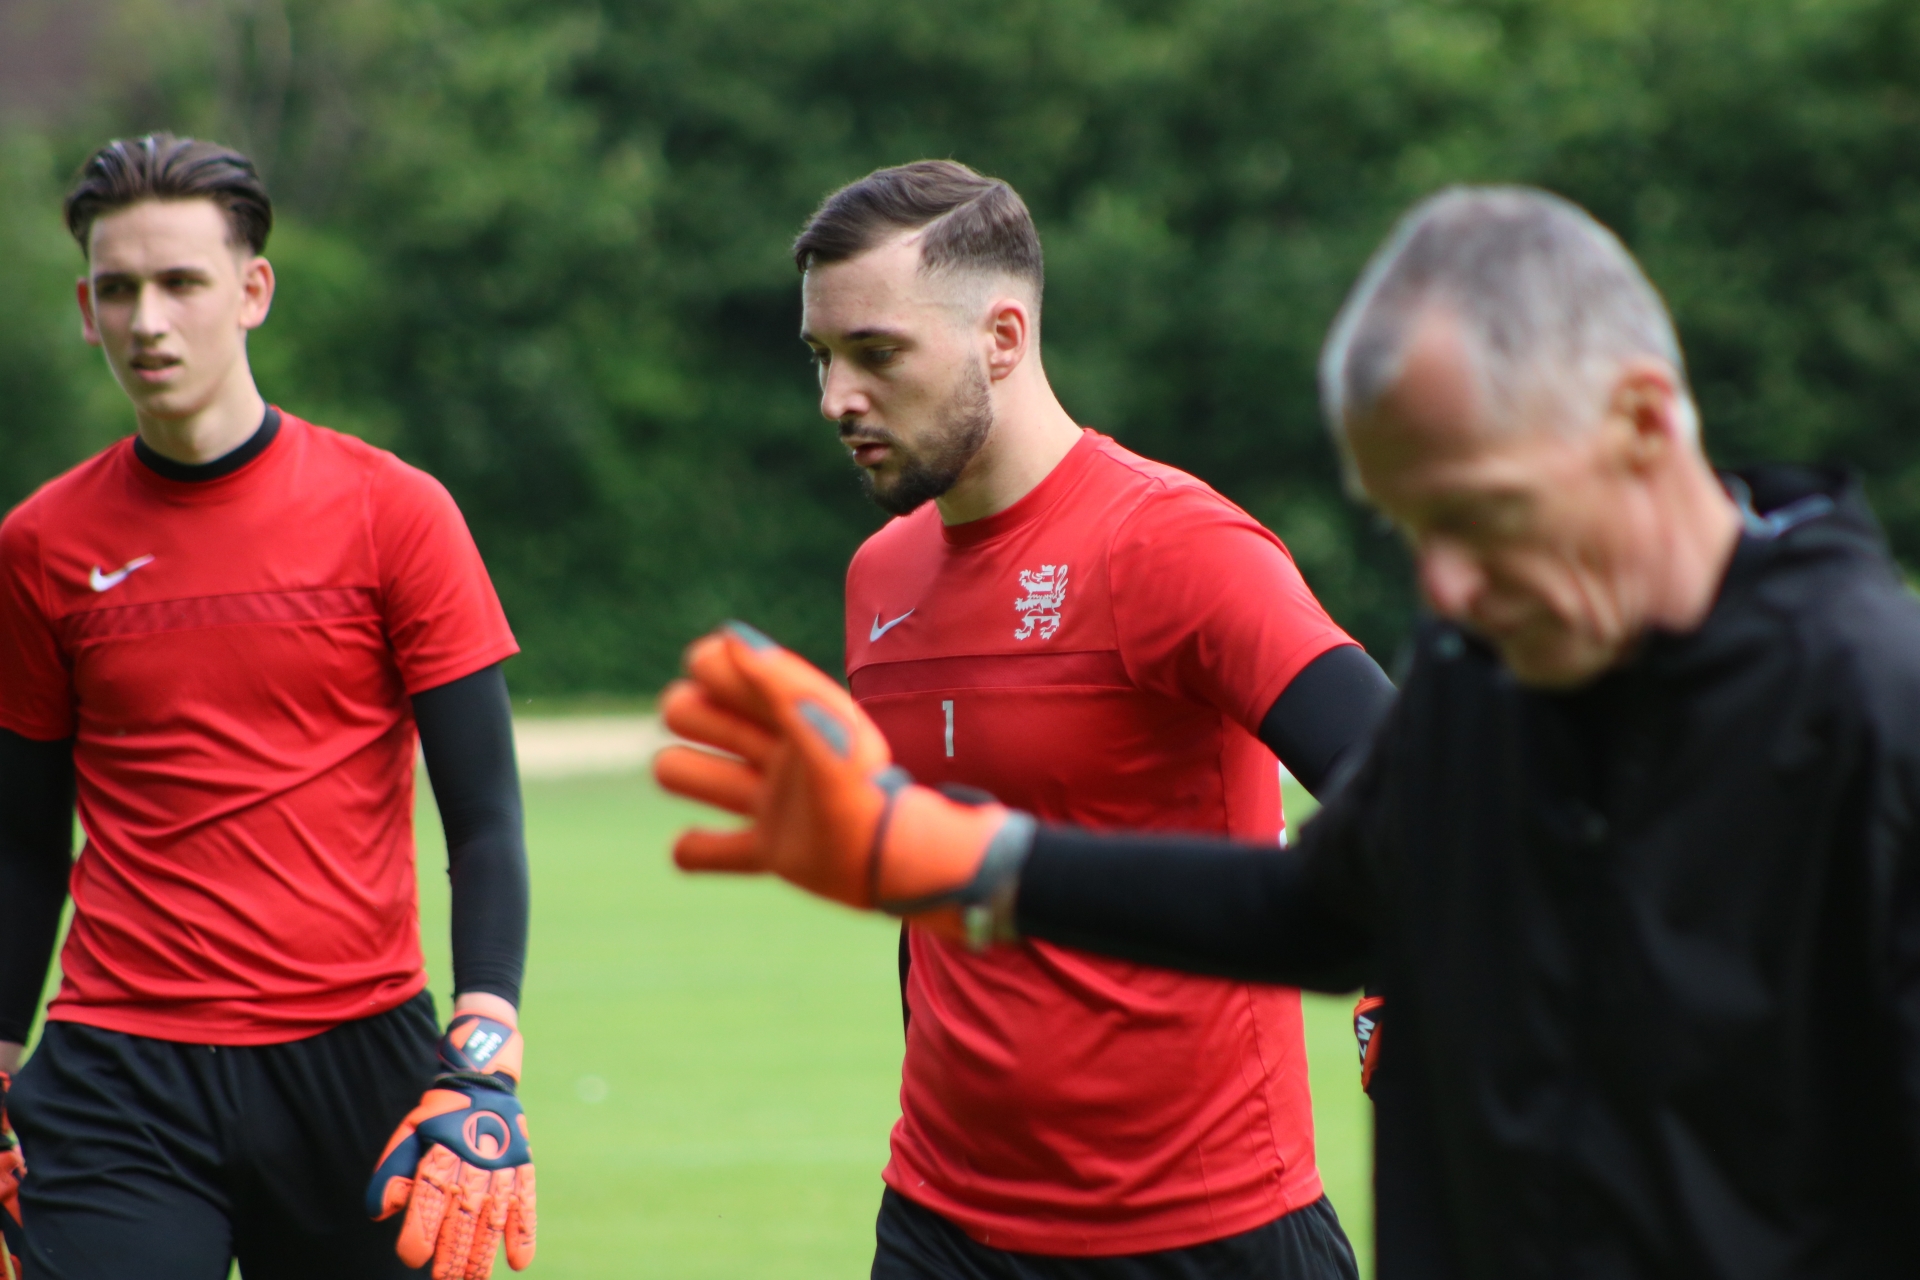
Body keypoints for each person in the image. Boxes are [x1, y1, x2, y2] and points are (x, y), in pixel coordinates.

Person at [655, 184, 1920, 1277]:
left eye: (1479, 515)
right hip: (949, 1211)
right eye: (1411, 530)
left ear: (1642, 423)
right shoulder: (1486, 670)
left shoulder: (1872, 707)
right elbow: (1322, 907)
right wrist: (968, 863)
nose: (1444, 590)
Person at [694, 159, 1394, 1279]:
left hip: (1205, 1227)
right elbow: (932, 897)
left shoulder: (1174, 545)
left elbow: (1403, 774)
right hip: (941, 1221)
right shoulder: (881, 576)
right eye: (822, 357)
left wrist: (1408, 960)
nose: (836, 399)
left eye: (877, 353)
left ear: (1003, 338)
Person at [0, 134, 536, 1280]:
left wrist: (485, 1044)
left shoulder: (395, 512)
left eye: (181, 282)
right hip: (119, 1069)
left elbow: (485, 815)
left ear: (252, 291)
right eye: (118, 288)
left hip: (361, 1064)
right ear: (86, 309)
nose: (149, 320)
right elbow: (23, 839)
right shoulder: (39, 544)